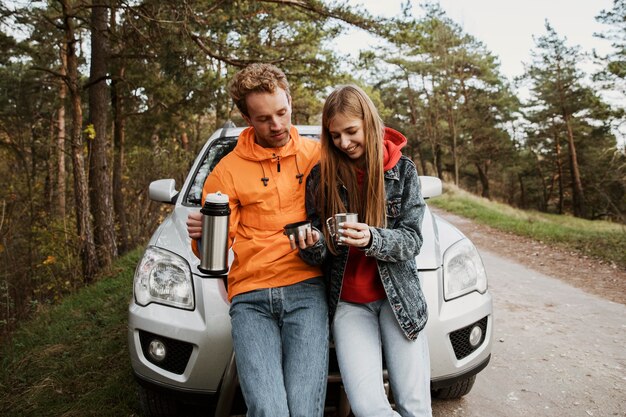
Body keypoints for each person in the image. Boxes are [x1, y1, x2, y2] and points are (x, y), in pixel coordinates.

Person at [187, 63, 328, 417]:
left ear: (290, 102)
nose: (276, 125)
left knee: (304, 410)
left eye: (282, 112)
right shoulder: (226, 171)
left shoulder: (317, 156)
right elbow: (213, 253)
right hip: (251, 298)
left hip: (307, 289)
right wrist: (203, 237)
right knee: (269, 410)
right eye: (264, 118)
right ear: (246, 117)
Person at [297, 84, 432, 417]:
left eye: (351, 131)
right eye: (335, 135)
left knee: (414, 405)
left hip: (397, 298)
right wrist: (313, 242)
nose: (344, 143)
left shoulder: (403, 172)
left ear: (369, 123)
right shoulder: (320, 177)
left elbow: (413, 240)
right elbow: (318, 254)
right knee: (368, 407)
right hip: (348, 304)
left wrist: (374, 239)